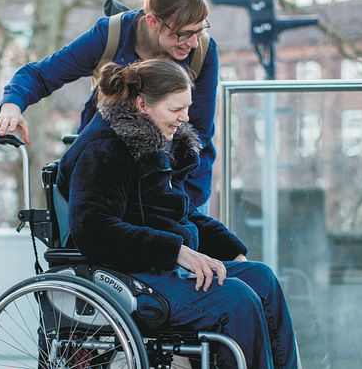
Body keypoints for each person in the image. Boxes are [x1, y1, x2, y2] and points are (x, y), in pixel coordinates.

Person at [56, 59, 298, 369]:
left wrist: (231, 251)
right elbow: (93, 229)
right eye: (175, 110)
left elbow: (178, 212)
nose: (184, 118)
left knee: (260, 278)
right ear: (142, 104)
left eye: (187, 108)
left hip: (161, 267)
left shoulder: (154, 143)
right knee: (234, 300)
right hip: (125, 274)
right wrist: (176, 251)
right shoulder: (104, 149)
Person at [0, 0, 219, 211]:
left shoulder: (202, 51)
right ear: (152, 21)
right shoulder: (110, 36)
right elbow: (40, 74)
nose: (192, 42)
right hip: (106, 176)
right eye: (183, 34)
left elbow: (200, 131)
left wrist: (184, 203)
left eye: (199, 30)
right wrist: (11, 106)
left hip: (173, 180)